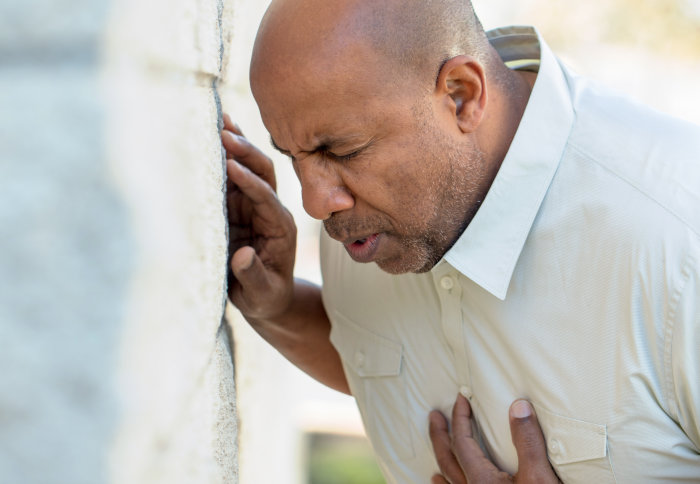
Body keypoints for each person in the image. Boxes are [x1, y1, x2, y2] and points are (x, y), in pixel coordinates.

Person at [221, 0, 700, 482]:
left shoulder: (678, 237)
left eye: (341, 150)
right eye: (293, 157)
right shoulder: (369, 220)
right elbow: (378, 357)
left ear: (461, 95)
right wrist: (278, 306)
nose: (315, 202)